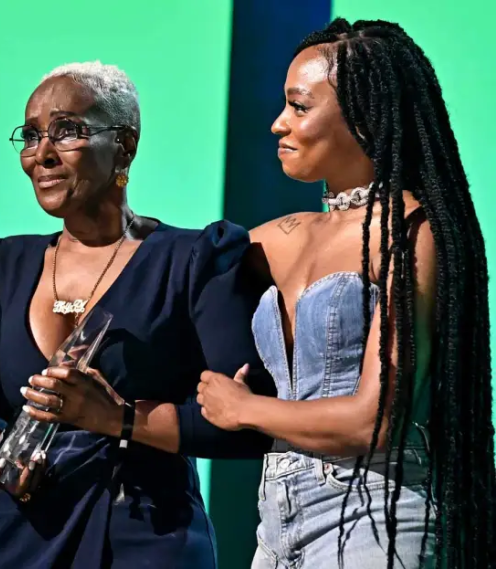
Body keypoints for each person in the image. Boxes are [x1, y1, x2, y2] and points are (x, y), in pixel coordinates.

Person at [196, 19, 496, 569]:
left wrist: (245, 408)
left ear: (364, 118)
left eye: (299, 107)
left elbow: (376, 419)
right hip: (277, 528)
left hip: (376, 515)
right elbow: (151, 267)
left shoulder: (412, 230)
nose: (277, 124)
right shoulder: (279, 237)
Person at [0, 61, 273, 568]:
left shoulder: (193, 261)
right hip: (20, 537)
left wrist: (117, 420)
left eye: (67, 131)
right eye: (32, 136)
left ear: (124, 145)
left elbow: (248, 422)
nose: (43, 154)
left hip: (146, 533)